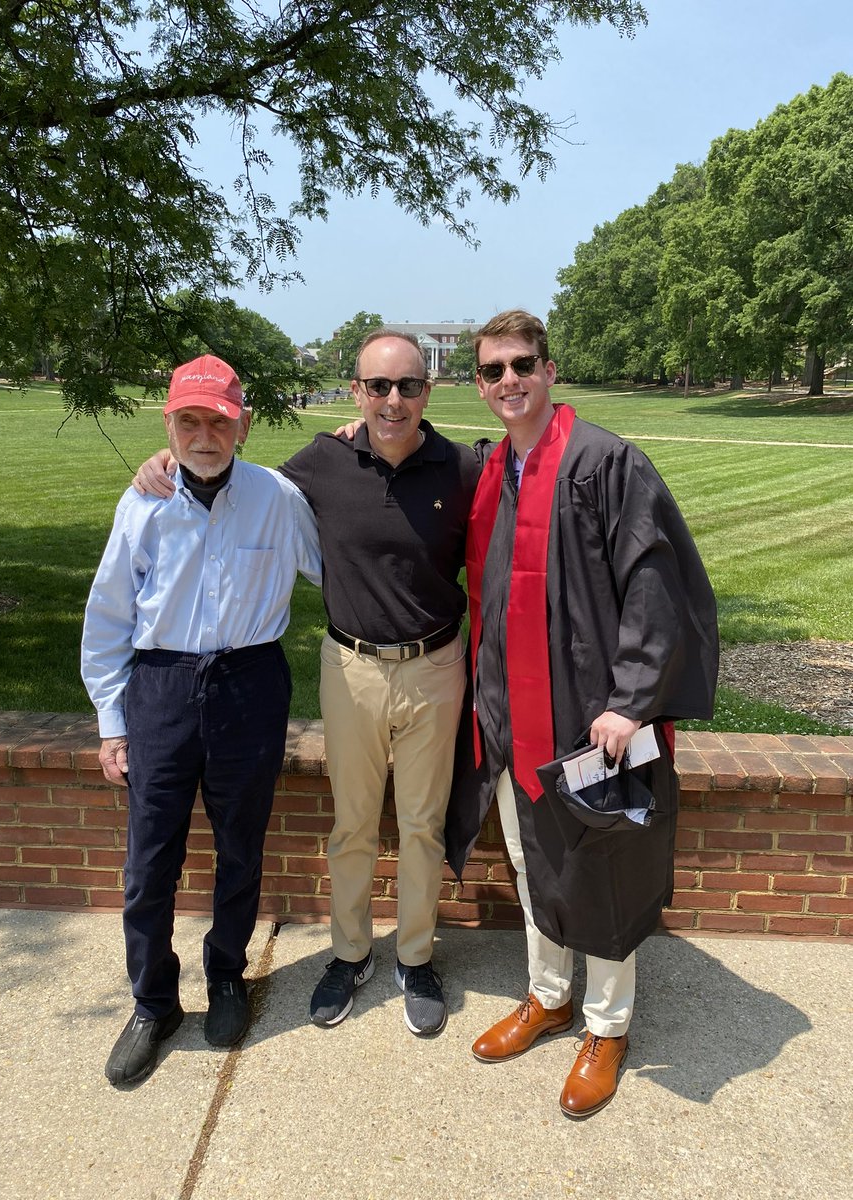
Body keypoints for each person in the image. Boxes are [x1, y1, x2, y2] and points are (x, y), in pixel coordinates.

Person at [133, 331, 482, 1037]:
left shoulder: (463, 468)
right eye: (377, 386)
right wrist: (170, 458)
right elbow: (233, 477)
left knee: (421, 825)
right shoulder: (318, 464)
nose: (392, 400)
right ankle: (351, 953)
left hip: (437, 665)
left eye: (407, 386)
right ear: (356, 391)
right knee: (352, 824)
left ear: (429, 391)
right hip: (350, 667)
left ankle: (415, 957)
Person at [445, 310, 718, 1118]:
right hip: (509, 710)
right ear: (481, 383)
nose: (508, 381)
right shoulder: (496, 466)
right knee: (534, 861)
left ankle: (607, 1025)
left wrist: (632, 701)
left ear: (549, 368)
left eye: (521, 364)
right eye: (492, 370)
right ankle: (549, 995)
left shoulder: (603, 462)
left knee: (602, 866)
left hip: (589, 713)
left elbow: (655, 583)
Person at [82, 354, 321, 1087]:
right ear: (169, 425)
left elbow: (337, 568)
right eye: (188, 420)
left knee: (239, 848)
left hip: (249, 682)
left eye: (218, 419)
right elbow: (110, 614)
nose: (204, 434)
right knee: (148, 861)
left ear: (242, 424)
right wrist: (111, 720)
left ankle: (226, 976)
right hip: (160, 687)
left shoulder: (277, 497)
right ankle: (153, 1001)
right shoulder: (144, 502)